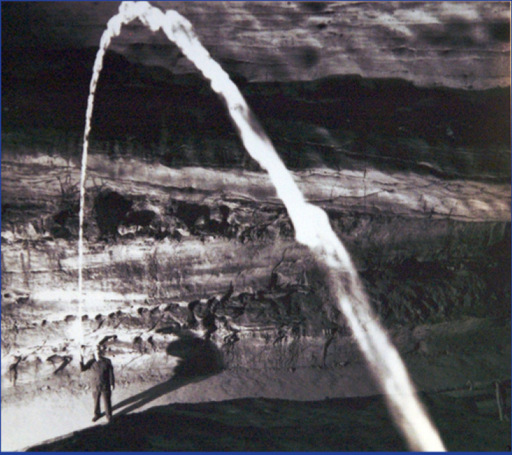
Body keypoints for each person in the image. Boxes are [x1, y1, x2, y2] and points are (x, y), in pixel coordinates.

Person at [80, 345, 115, 422]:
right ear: (94, 353)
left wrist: (112, 384)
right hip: (95, 385)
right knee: (96, 401)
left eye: (99, 352)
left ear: (101, 352)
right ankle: (97, 414)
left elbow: (111, 373)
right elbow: (82, 369)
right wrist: (81, 358)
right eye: (96, 352)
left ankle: (109, 416)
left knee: (107, 401)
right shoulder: (91, 362)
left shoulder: (107, 361)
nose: (98, 353)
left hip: (105, 384)